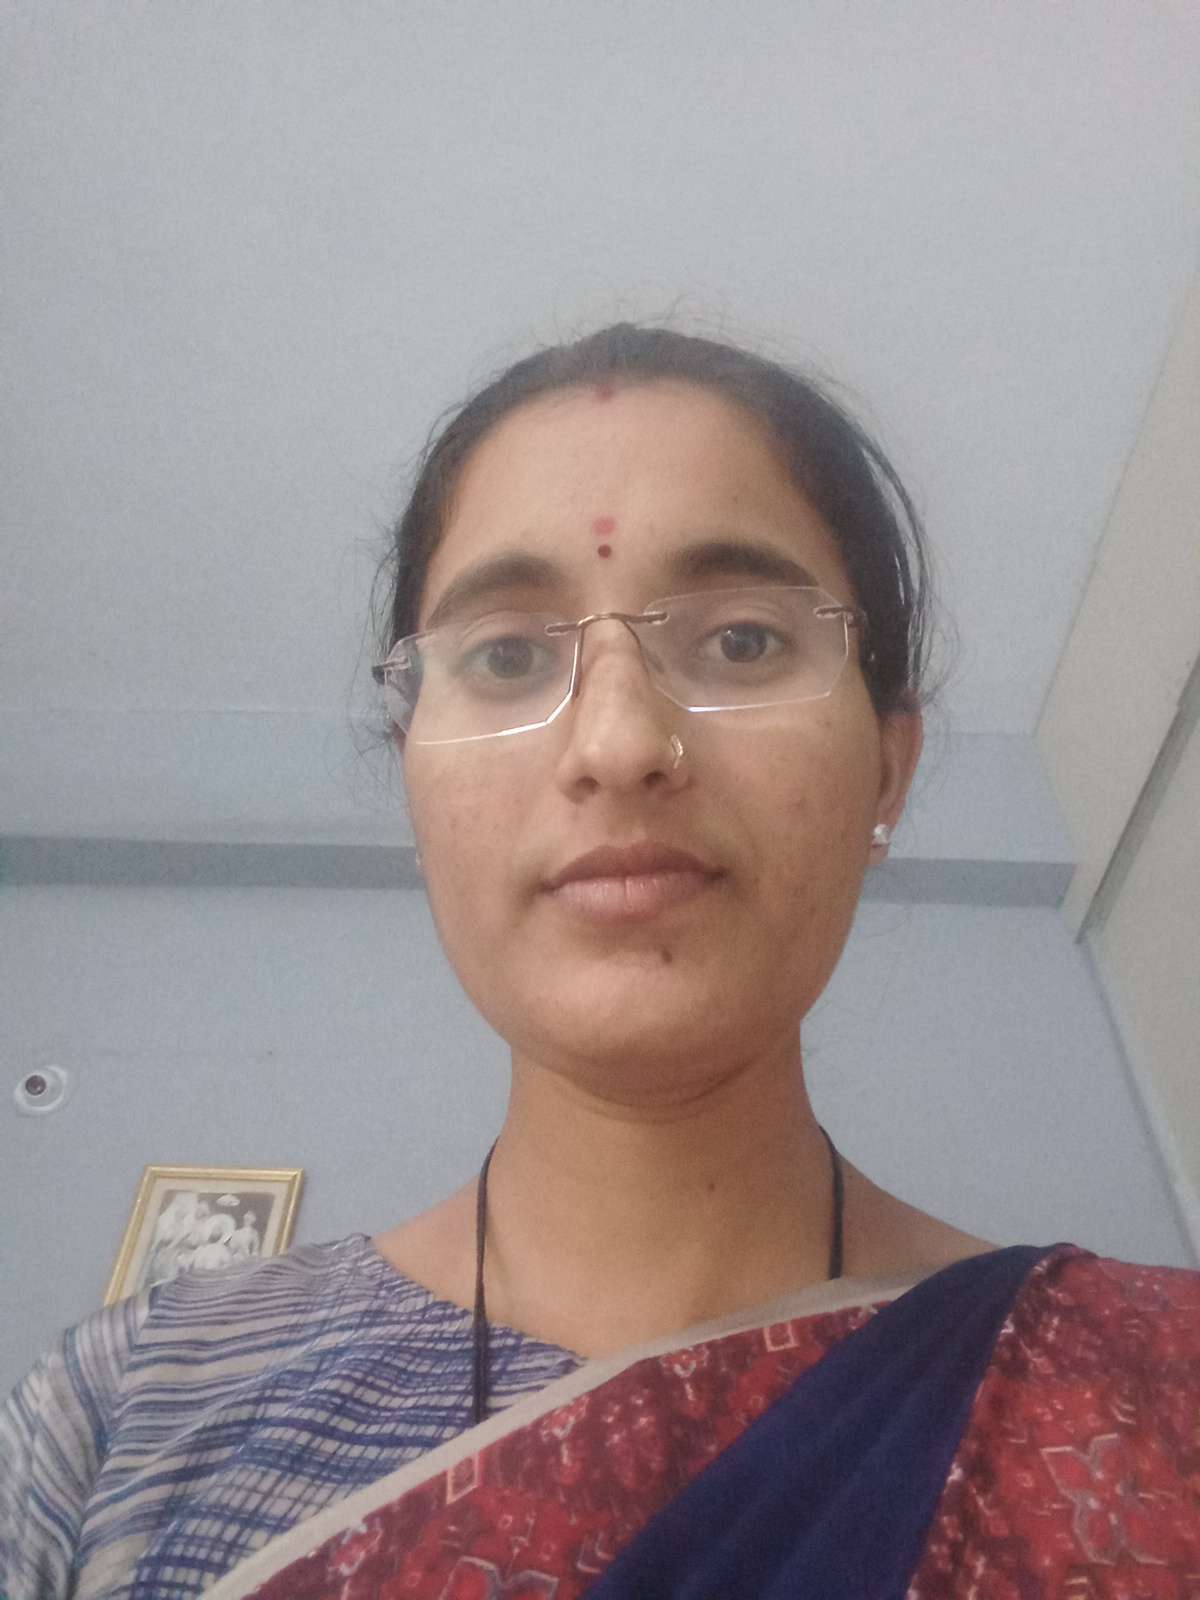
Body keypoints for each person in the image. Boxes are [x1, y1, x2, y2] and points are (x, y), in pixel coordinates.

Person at [3, 323, 1198, 1599]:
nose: (619, 744)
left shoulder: (1152, 1391)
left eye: (743, 640)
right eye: (508, 655)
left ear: (888, 770)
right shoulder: (128, 1415)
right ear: (415, 784)